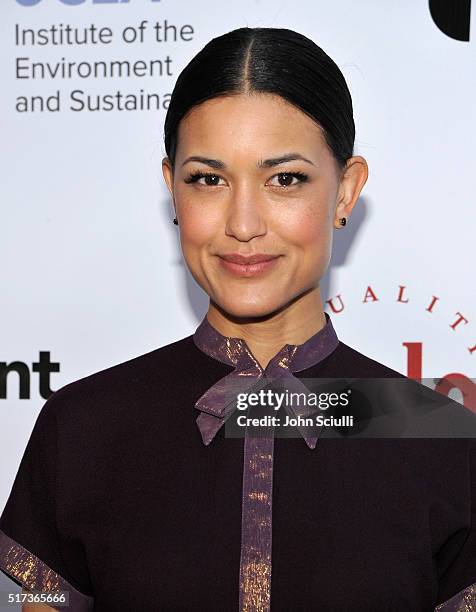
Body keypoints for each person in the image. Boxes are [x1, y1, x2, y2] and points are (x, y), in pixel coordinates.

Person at [0, 26, 475, 612]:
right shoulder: (82, 429)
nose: (243, 222)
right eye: (209, 179)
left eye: (285, 179)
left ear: (346, 191)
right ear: (172, 188)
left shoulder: (438, 437)